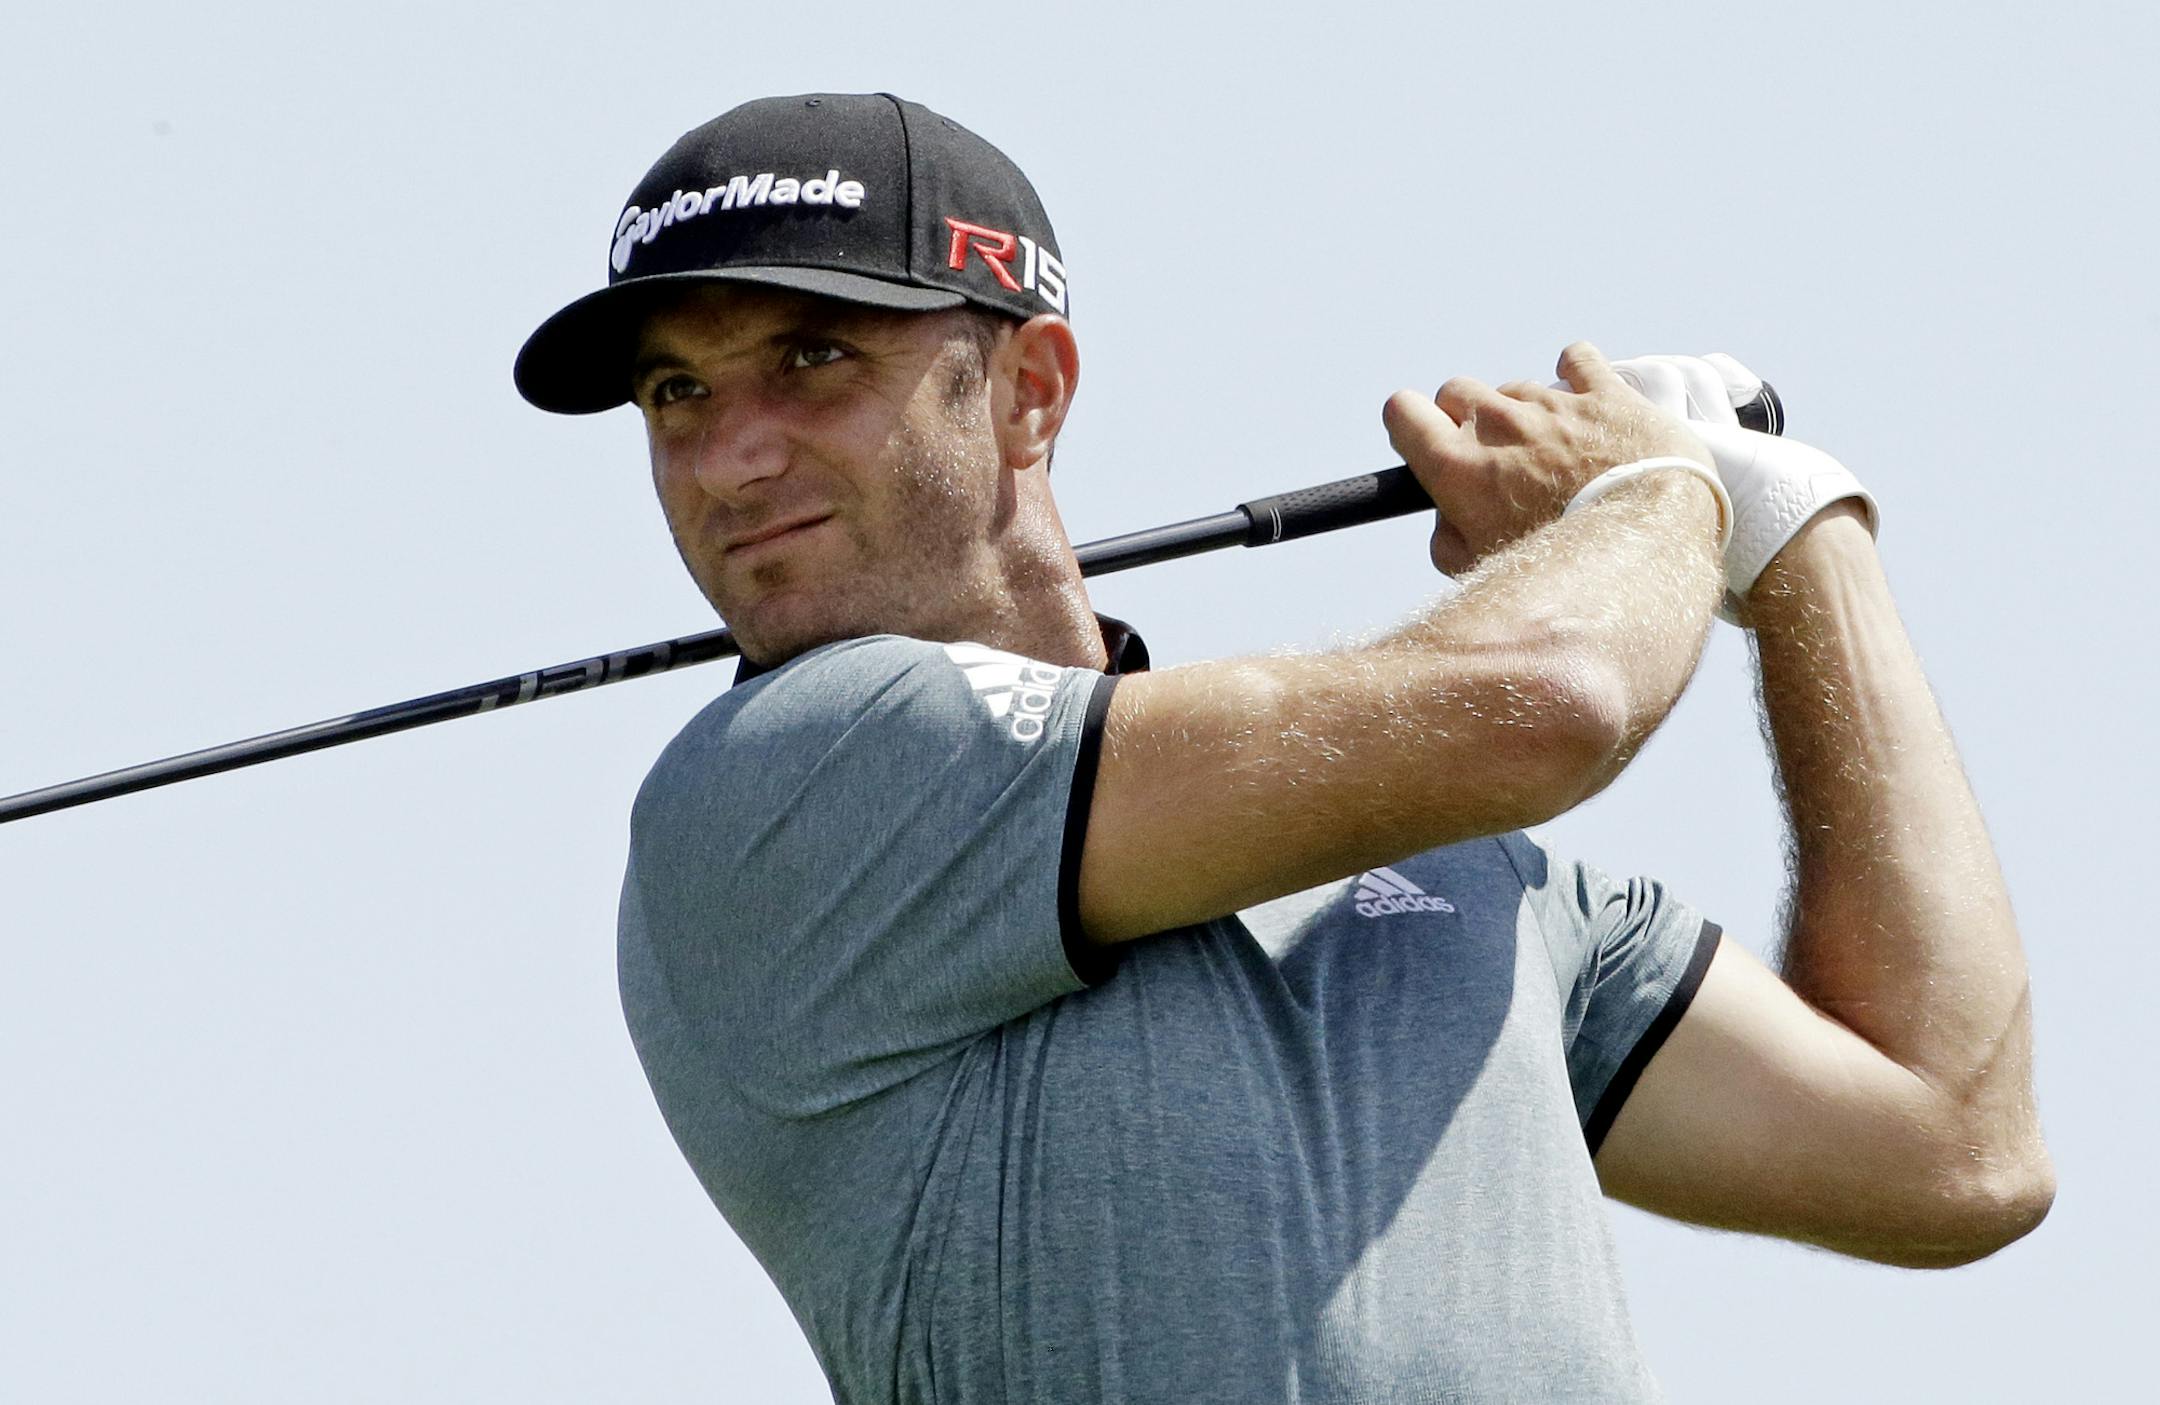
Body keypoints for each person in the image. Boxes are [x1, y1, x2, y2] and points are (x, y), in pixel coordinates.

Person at [514, 93, 2052, 1402]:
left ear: (1032, 393)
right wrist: (1660, 492)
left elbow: (1953, 1146)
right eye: (678, 392)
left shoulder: (1471, 878)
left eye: (812, 358)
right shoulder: (788, 780)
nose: (731, 453)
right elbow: (1557, 695)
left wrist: (1803, 532)